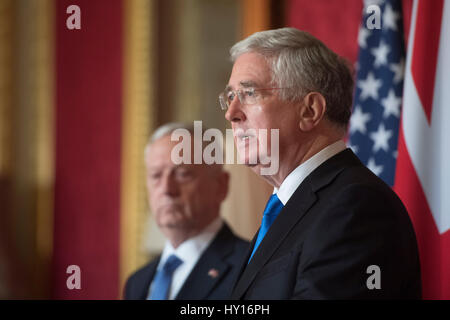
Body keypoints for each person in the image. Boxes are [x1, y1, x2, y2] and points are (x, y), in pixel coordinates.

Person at [220, 27, 421, 299]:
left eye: (250, 93)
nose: (231, 113)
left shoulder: (357, 207)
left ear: (310, 110)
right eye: (231, 97)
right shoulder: (288, 206)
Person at [124, 123, 249, 300]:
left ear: (221, 185)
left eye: (182, 174)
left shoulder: (251, 268)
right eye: (156, 175)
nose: (167, 188)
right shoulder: (137, 283)